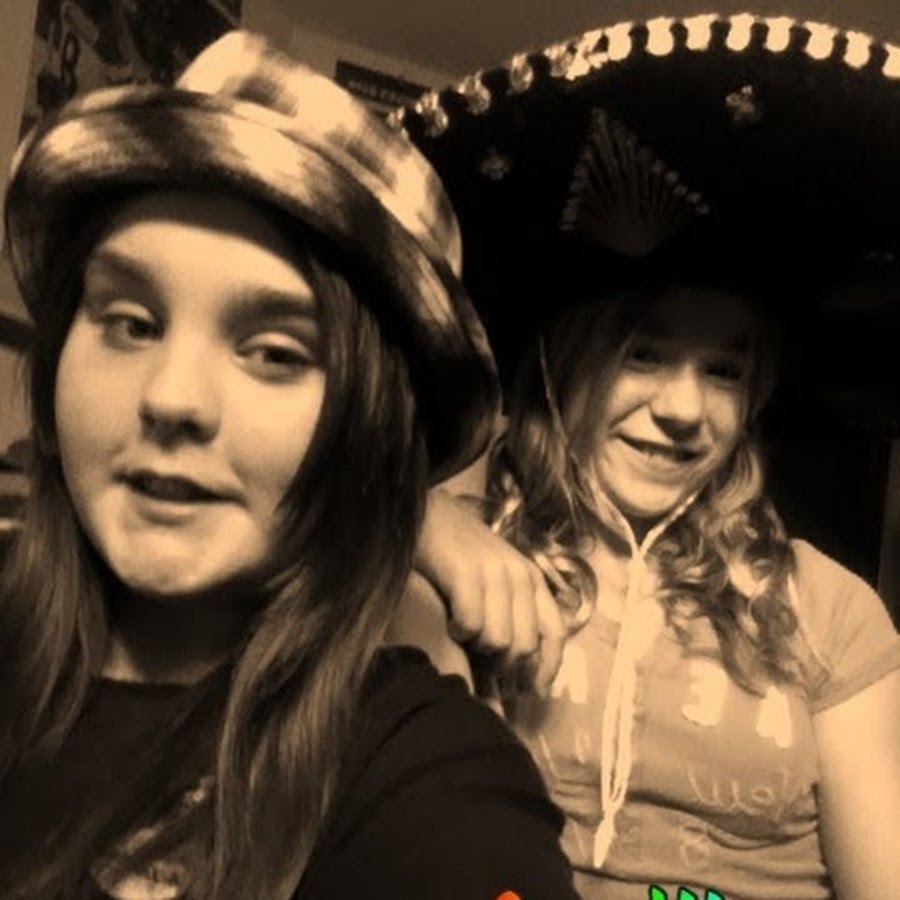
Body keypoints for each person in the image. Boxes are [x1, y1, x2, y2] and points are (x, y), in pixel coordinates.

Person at [0, 30, 579, 900]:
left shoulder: (420, 769)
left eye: (274, 352)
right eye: (129, 322)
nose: (171, 397)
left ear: (369, 432)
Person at [400, 12, 900, 899]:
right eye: (643, 353)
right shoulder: (455, 562)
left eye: (724, 370)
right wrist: (417, 522)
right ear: (561, 365)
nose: (684, 411)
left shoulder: (833, 611)